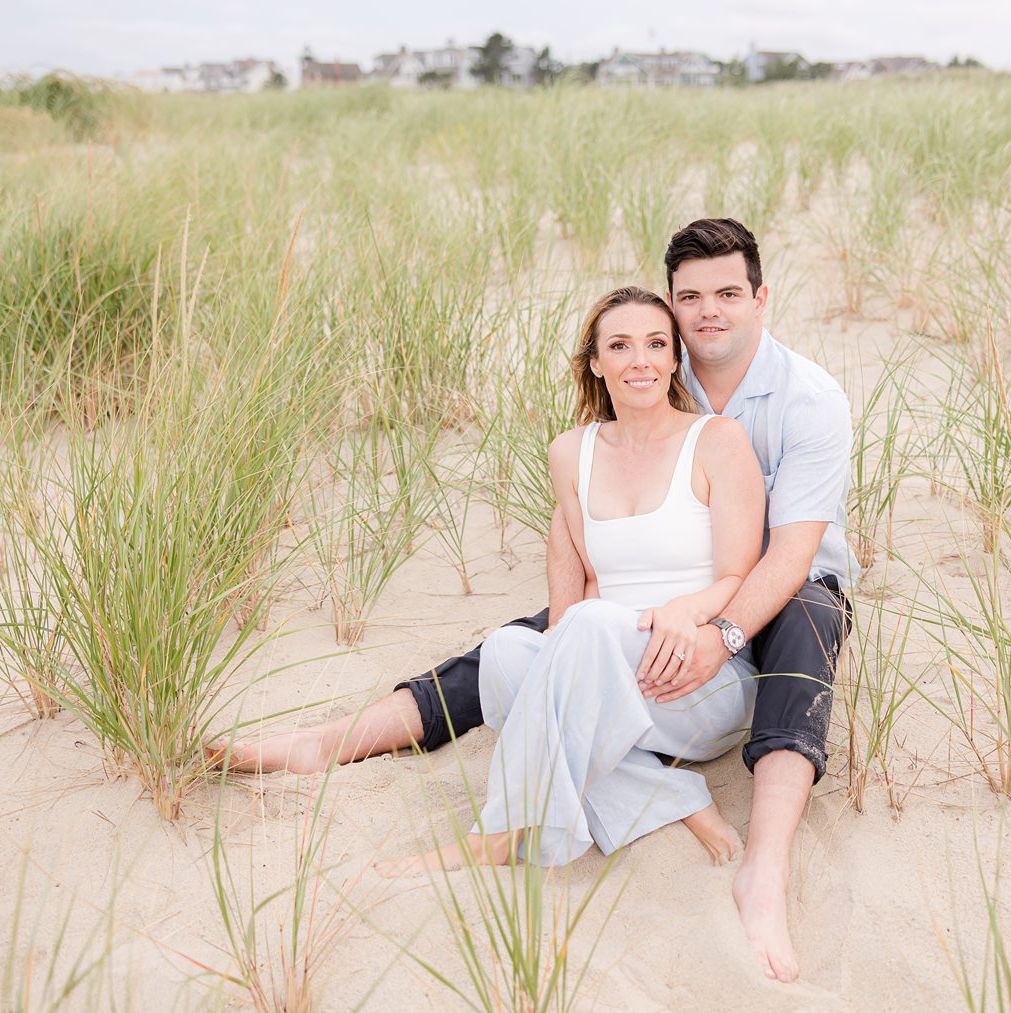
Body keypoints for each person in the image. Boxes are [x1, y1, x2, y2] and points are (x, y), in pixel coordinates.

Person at [213, 219, 854, 982]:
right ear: (670, 312)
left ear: (760, 298)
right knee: (523, 647)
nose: (707, 310)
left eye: (727, 293)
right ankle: (339, 739)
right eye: (690, 297)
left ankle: (762, 866)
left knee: (794, 625)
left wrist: (714, 626)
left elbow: (781, 557)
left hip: (790, 581)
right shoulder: (601, 428)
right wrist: (600, 612)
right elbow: (579, 563)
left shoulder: (802, 400)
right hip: (631, 620)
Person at [377, 285, 764, 875]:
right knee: (508, 651)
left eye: (657, 344)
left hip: (698, 678)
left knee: (582, 628)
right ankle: (676, 798)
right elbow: (585, 579)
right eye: (621, 345)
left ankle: (498, 833)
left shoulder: (716, 440)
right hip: (603, 664)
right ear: (595, 362)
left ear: (674, 359)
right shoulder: (570, 452)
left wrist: (688, 610)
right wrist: (584, 634)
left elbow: (740, 573)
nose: (641, 360)